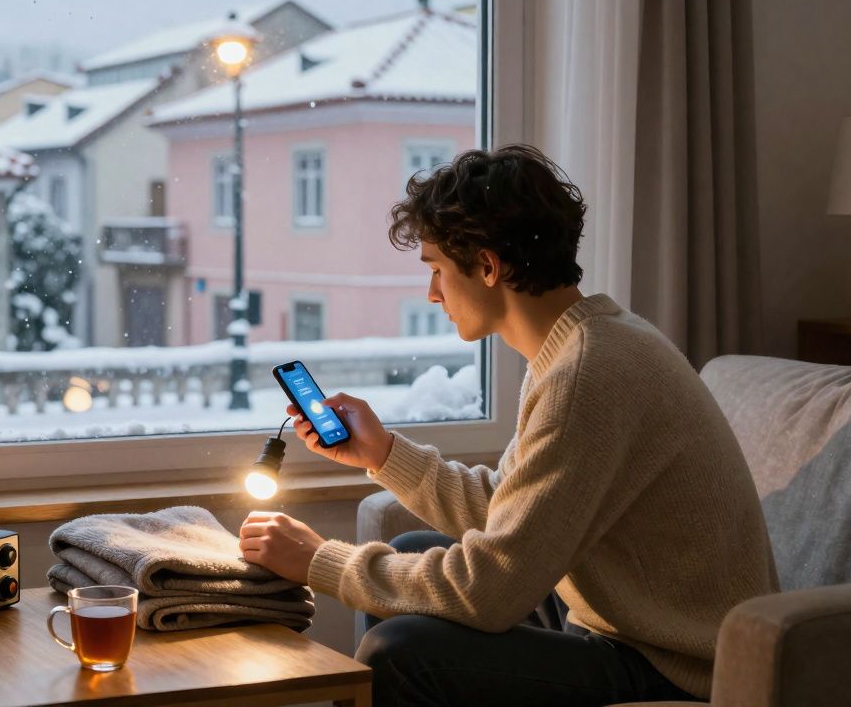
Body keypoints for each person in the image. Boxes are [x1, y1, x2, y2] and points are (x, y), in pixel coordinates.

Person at [237, 145, 778, 706]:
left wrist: (320, 561)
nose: (432, 293)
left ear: (489, 267)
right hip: (622, 622)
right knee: (414, 547)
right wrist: (384, 454)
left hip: (676, 664)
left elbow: (489, 592)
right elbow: (516, 510)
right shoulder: (584, 343)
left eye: (438, 270)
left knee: (399, 652)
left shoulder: (586, 375)